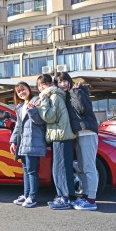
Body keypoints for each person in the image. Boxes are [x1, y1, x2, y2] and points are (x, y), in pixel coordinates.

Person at [55, 72, 99, 211]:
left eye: (64, 81)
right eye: (59, 82)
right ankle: (86, 196)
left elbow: (81, 108)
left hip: (87, 132)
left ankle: (91, 200)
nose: (63, 84)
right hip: (79, 133)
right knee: (82, 167)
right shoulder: (67, 95)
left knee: (88, 167)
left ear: (69, 81)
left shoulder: (77, 90)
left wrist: (76, 91)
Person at [36, 74, 77, 210]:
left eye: (44, 84)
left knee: (60, 168)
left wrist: (41, 103)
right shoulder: (56, 95)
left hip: (61, 136)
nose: (41, 88)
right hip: (61, 135)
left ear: (49, 85)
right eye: (39, 86)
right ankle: (65, 196)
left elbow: (49, 117)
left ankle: (64, 198)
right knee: (62, 167)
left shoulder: (54, 96)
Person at [10, 81, 46, 208]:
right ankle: (26, 195)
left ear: (28, 89)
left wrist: (32, 110)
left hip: (34, 141)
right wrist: (13, 141)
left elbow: (41, 121)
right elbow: (17, 126)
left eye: (23, 89)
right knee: (26, 171)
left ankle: (32, 197)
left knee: (31, 171)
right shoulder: (20, 107)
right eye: (18, 91)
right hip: (23, 142)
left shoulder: (36, 101)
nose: (21, 93)